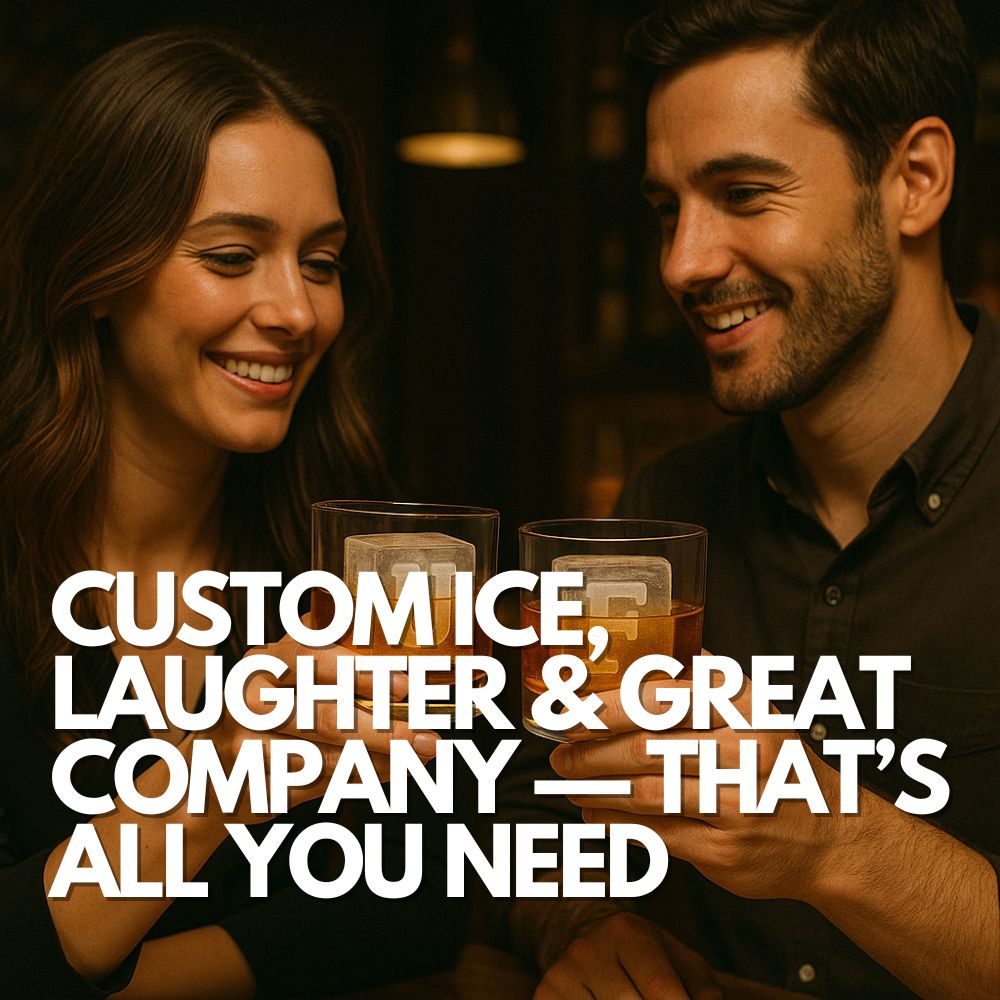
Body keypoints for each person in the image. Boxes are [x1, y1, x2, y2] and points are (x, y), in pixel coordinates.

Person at [514, 2, 1000, 998]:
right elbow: (547, 813)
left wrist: (836, 839)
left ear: (915, 180)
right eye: (666, 210)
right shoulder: (667, 508)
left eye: (741, 193)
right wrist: (578, 918)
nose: (683, 261)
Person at [0, 29, 445, 1000]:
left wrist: (109, 975)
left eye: (321, 262)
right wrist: (207, 787)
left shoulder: (345, 558)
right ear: (96, 270)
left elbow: (419, 892)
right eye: (234, 255)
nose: (295, 310)